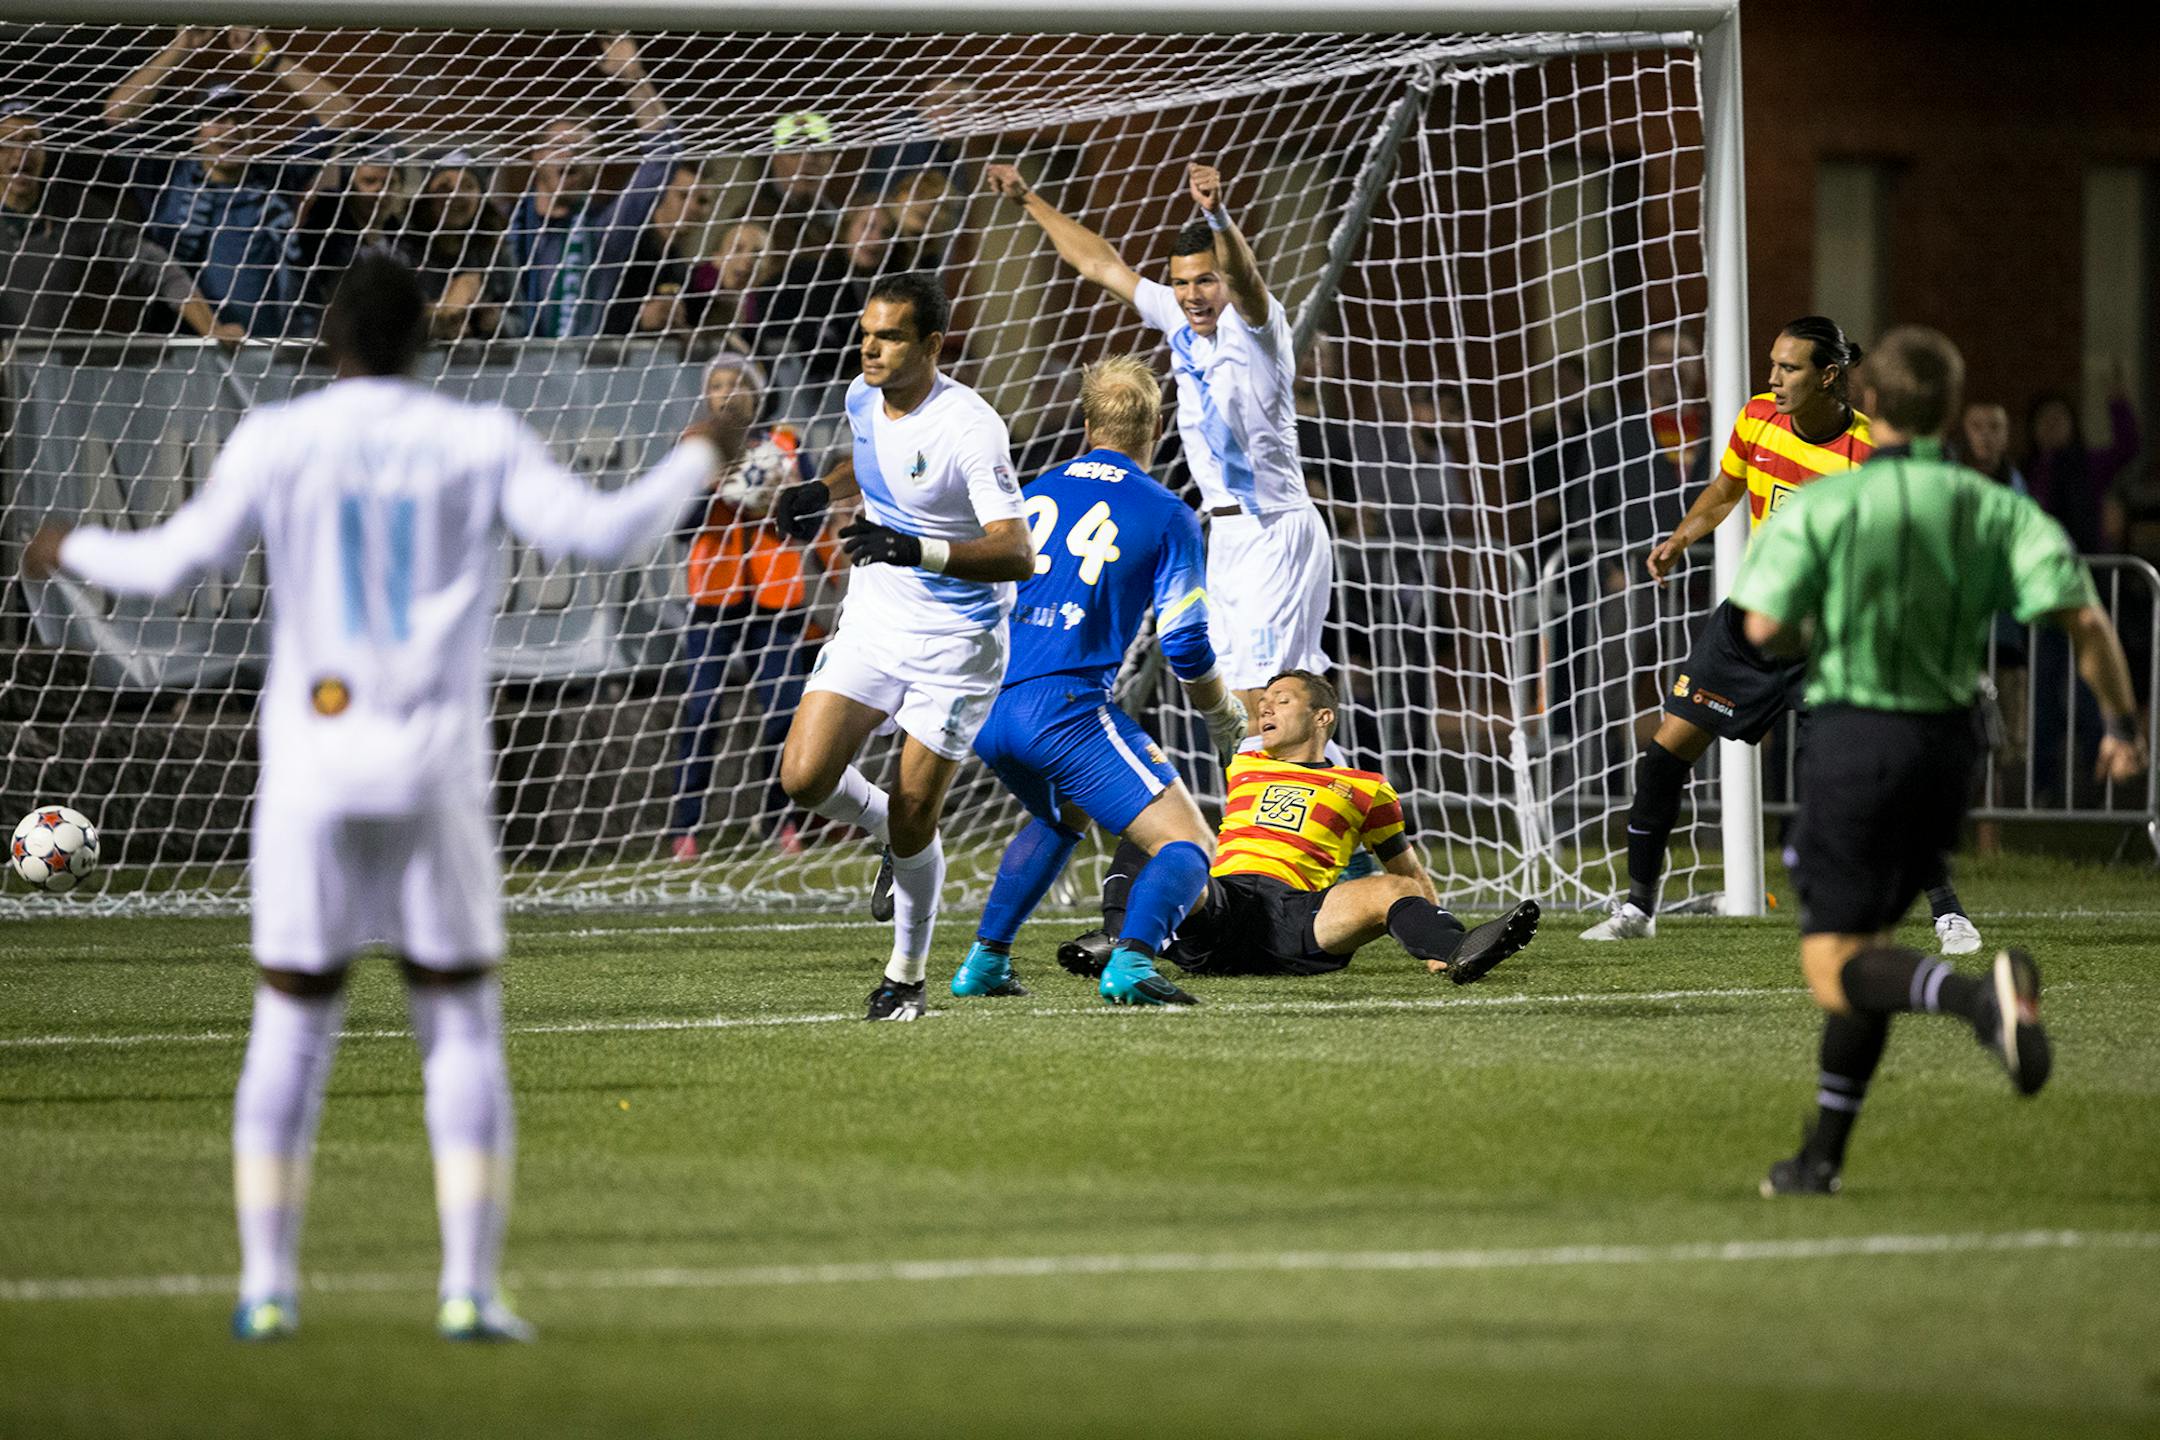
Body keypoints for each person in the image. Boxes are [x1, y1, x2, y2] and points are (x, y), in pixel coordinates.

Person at [21, 251, 741, 1339]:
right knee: (457, 1026)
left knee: (291, 1024)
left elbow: (174, 563)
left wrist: (65, 541)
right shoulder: (478, 436)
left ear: (329, 339)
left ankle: (266, 1288)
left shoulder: (278, 436)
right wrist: (698, 449)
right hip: (434, 771)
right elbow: (605, 537)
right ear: (428, 337)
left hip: (311, 770)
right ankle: (470, 1290)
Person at [1729, 325, 2146, 1196]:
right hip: (1950, 747)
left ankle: (1977, 1003)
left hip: (1856, 737)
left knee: (1836, 965)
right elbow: (2086, 620)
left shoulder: (1828, 505)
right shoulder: (1993, 508)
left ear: (1868, 405)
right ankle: (1820, 1161)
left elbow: (1766, 627)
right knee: (1869, 952)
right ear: (1952, 412)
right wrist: (2121, 724)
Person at [1580, 316, 1983, 955]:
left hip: (1828, 640)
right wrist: (1683, 537)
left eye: (1788, 367)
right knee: (1665, 752)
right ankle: (1638, 906)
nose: (1773, 377)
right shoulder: (1758, 418)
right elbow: (1724, 489)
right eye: (1772, 364)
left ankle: (1946, 912)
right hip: (1754, 620)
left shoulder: (1868, 452)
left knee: (1864, 778)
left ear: (1829, 377)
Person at [766, 271, 1035, 1021]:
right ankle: (891, 835)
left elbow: (1017, 553)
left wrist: (917, 549)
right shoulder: (860, 396)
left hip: (958, 640)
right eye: (865, 334)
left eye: (888, 337)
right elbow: (869, 455)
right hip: (878, 620)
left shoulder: (971, 428)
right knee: (803, 778)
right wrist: (823, 489)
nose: (871, 349)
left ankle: (906, 979)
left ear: (932, 345)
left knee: (920, 810)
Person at [986, 160, 1334, 733]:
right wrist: (1028, 198)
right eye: (1181, 282)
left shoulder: (1260, 330)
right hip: (1227, 536)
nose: (1192, 295)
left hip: (1275, 531)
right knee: (1242, 708)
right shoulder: (1176, 314)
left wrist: (1217, 214)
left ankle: (1313, 815)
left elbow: (1248, 281)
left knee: (1272, 707)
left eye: (1205, 280)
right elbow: (1100, 264)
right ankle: (1321, 813)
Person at [958, 354, 1251, 1007]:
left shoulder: (1031, 492)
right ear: (1155, 427)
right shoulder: (1167, 511)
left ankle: (985, 962)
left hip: (988, 709)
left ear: (1087, 423)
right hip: (1061, 709)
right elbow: (1183, 641)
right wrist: (1222, 714)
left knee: (1062, 816)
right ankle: (1132, 965)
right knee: (1189, 844)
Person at [1060, 670, 1541, 983]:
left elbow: (1408, 870)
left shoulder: (1366, 787)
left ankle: (1456, 950)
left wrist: (1438, 937)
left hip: (1299, 917)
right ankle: (1120, 941)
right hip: (1222, 906)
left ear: (1322, 718)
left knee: (1390, 887)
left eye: (1282, 700)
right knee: (1155, 832)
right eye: (1264, 702)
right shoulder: (1243, 762)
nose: (1266, 708)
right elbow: (1218, 705)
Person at [668, 353, 837, 859]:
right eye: (716, 384)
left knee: (784, 712)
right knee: (700, 710)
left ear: (757, 392)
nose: (725, 393)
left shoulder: (785, 445)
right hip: (714, 602)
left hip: (776, 602)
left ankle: (778, 820)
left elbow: (809, 528)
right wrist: (714, 488)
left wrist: (784, 496)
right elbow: (679, 526)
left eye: (735, 384)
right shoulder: (696, 445)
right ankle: (685, 829)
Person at [101, 26, 356, 338]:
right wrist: (181, 48)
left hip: (271, 354)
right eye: (217, 118)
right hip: (184, 356)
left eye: (240, 118)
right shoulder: (166, 180)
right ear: (196, 135)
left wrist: (270, 59)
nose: (231, 128)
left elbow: (339, 112)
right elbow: (117, 115)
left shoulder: (276, 177)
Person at [0, 103, 242, 343]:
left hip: (54, 370)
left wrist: (212, 328)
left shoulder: (77, 212)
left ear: (46, 150)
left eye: (31, 141)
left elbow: (156, 266)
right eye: (7, 141)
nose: (20, 154)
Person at [506, 34, 679, 340]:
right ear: (535, 157)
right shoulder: (503, 226)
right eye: (558, 145)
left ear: (597, 166)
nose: (569, 154)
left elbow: (663, 156)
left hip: (581, 378)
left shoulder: (605, 231)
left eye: (581, 149)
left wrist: (634, 77)